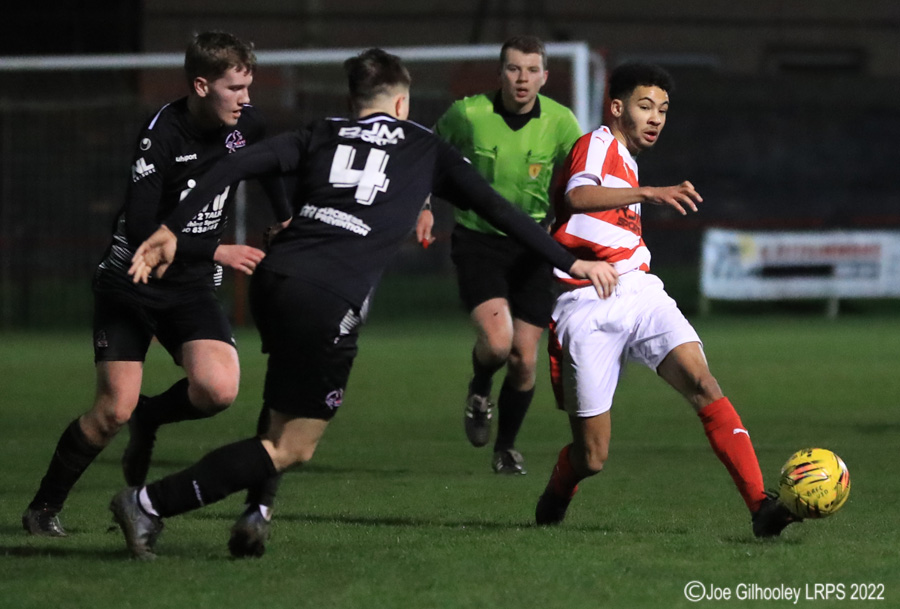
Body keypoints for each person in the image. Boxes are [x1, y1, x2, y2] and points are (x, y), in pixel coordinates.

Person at [111, 48, 619, 560]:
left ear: (354, 101)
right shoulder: (423, 147)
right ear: (401, 104)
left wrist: (171, 228)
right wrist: (571, 262)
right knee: (293, 446)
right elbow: (499, 210)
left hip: (274, 279)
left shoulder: (322, 131)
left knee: (286, 402)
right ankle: (148, 504)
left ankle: (256, 511)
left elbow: (237, 164)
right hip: (328, 296)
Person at [21, 31, 290, 537]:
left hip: (188, 287)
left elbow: (268, 161)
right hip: (132, 283)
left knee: (218, 390)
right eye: (235, 88)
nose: (246, 99)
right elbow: (144, 228)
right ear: (201, 86)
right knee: (111, 412)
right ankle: (43, 508)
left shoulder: (245, 125)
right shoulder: (161, 135)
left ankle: (151, 416)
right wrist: (217, 250)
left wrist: (284, 218)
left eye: (248, 87)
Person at [533, 62, 798, 537]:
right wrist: (649, 193)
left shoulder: (629, 161)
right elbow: (578, 196)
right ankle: (560, 486)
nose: (656, 117)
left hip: (639, 291)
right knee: (592, 457)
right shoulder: (597, 144)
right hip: (586, 303)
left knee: (703, 383)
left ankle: (761, 507)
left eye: (663, 109)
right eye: (645, 106)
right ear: (617, 108)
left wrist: (641, 191)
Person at [416, 36, 582, 475]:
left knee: (524, 359)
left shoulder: (562, 122)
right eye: (513, 69)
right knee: (496, 342)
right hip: (479, 241)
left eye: (532, 70)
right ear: (500, 73)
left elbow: (583, 178)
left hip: (533, 245)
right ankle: (479, 387)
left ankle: (505, 449)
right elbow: (424, 154)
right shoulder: (468, 114)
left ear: (545, 77)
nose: (522, 78)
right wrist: (424, 205)